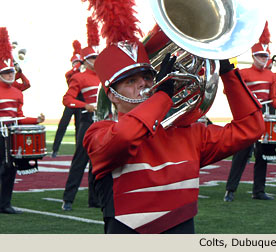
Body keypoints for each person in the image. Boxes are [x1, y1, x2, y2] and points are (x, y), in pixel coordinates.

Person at [82, 0, 264, 234]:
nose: (144, 85)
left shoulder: (188, 134)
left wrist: (228, 72)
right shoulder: (97, 134)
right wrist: (162, 98)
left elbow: (251, 128)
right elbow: (126, 136)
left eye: (147, 77)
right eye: (131, 82)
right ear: (112, 95)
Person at [224, 21, 276, 202]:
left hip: (266, 116)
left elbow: (273, 98)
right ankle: (230, 190)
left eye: (265, 55)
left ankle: (259, 191)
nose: (263, 58)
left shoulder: (270, 75)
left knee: (263, 154)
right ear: (253, 55)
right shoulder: (244, 73)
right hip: (248, 116)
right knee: (242, 153)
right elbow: (229, 91)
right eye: (260, 55)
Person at [0, 27, 45, 214]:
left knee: (10, 168)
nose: (11, 75)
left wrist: (36, 120)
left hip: (11, 132)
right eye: (7, 73)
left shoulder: (17, 92)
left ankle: (4, 204)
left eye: (12, 73)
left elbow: (19, 116)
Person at [61, 17, 100, 211]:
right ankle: (68, 199)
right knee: (80, 160)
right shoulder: (80, 77)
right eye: (92, 58)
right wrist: (86, 105)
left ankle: (95, 199)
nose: (96, 61)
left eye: (97, 57)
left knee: (99, 162)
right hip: (87, 121)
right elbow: (67, 100)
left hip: (105, 122)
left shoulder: (106, 76)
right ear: (85, 60)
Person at [51, 40, 83, 158]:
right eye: (75, 62)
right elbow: (72, 73)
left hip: (81, 101)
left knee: (79, 128)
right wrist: (80, 63)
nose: (77, 65)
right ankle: (55, 149)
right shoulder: (70, 73)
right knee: (63, 125)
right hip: (71, 101)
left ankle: (78, 152)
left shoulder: (83, 73)